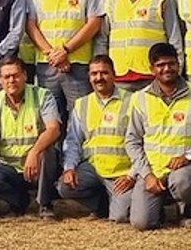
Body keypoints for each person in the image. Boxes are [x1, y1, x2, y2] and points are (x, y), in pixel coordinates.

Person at [123, 42, 191, 230]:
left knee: (182, 182)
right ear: (152, 69)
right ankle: (159, 206)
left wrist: (188, 156)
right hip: (153, 170)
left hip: (185, 168)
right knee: (142, 223)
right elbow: (132, 141)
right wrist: (146, 175)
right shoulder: (139, 98)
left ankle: (184, 208)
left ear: (178, 64)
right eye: (160, 65)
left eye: (171, 64)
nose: (167, 69)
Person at [0, 57, 61, 219]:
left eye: (16, 75)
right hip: (10, 169)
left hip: (37, 166)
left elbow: (54, 130)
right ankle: (19, 202)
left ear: (25, 75)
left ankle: (45, 204)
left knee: (48, 152)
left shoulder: (42, 95)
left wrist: (34, 153)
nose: (11, 80)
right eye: (6, 77)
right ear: (0, 80)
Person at [24, 0, 104, 113]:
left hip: (78, 64)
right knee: (49, 117)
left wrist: (65, 51)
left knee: (80, 115)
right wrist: (53, 55)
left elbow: (94, 23)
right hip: (47, 64)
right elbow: (30, 25)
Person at [57, 56, 135, 223]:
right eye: (94, 74)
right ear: (89, 77)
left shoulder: (132, 101)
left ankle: (115, 203)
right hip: (92, 169)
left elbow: (142, 142)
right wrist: (69, 168)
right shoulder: (82, 104)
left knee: (121, 217)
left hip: (121, 172)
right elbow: (73, 141)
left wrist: (132, 174)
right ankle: (101, 204)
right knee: (65, 187)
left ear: (114, 75)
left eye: (104, 73)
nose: (99, 78)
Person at [105, 0, 182, 93]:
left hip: (152, 75)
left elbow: (174, 37)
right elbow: (103, 37)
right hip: (120, 75)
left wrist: (176, 71)